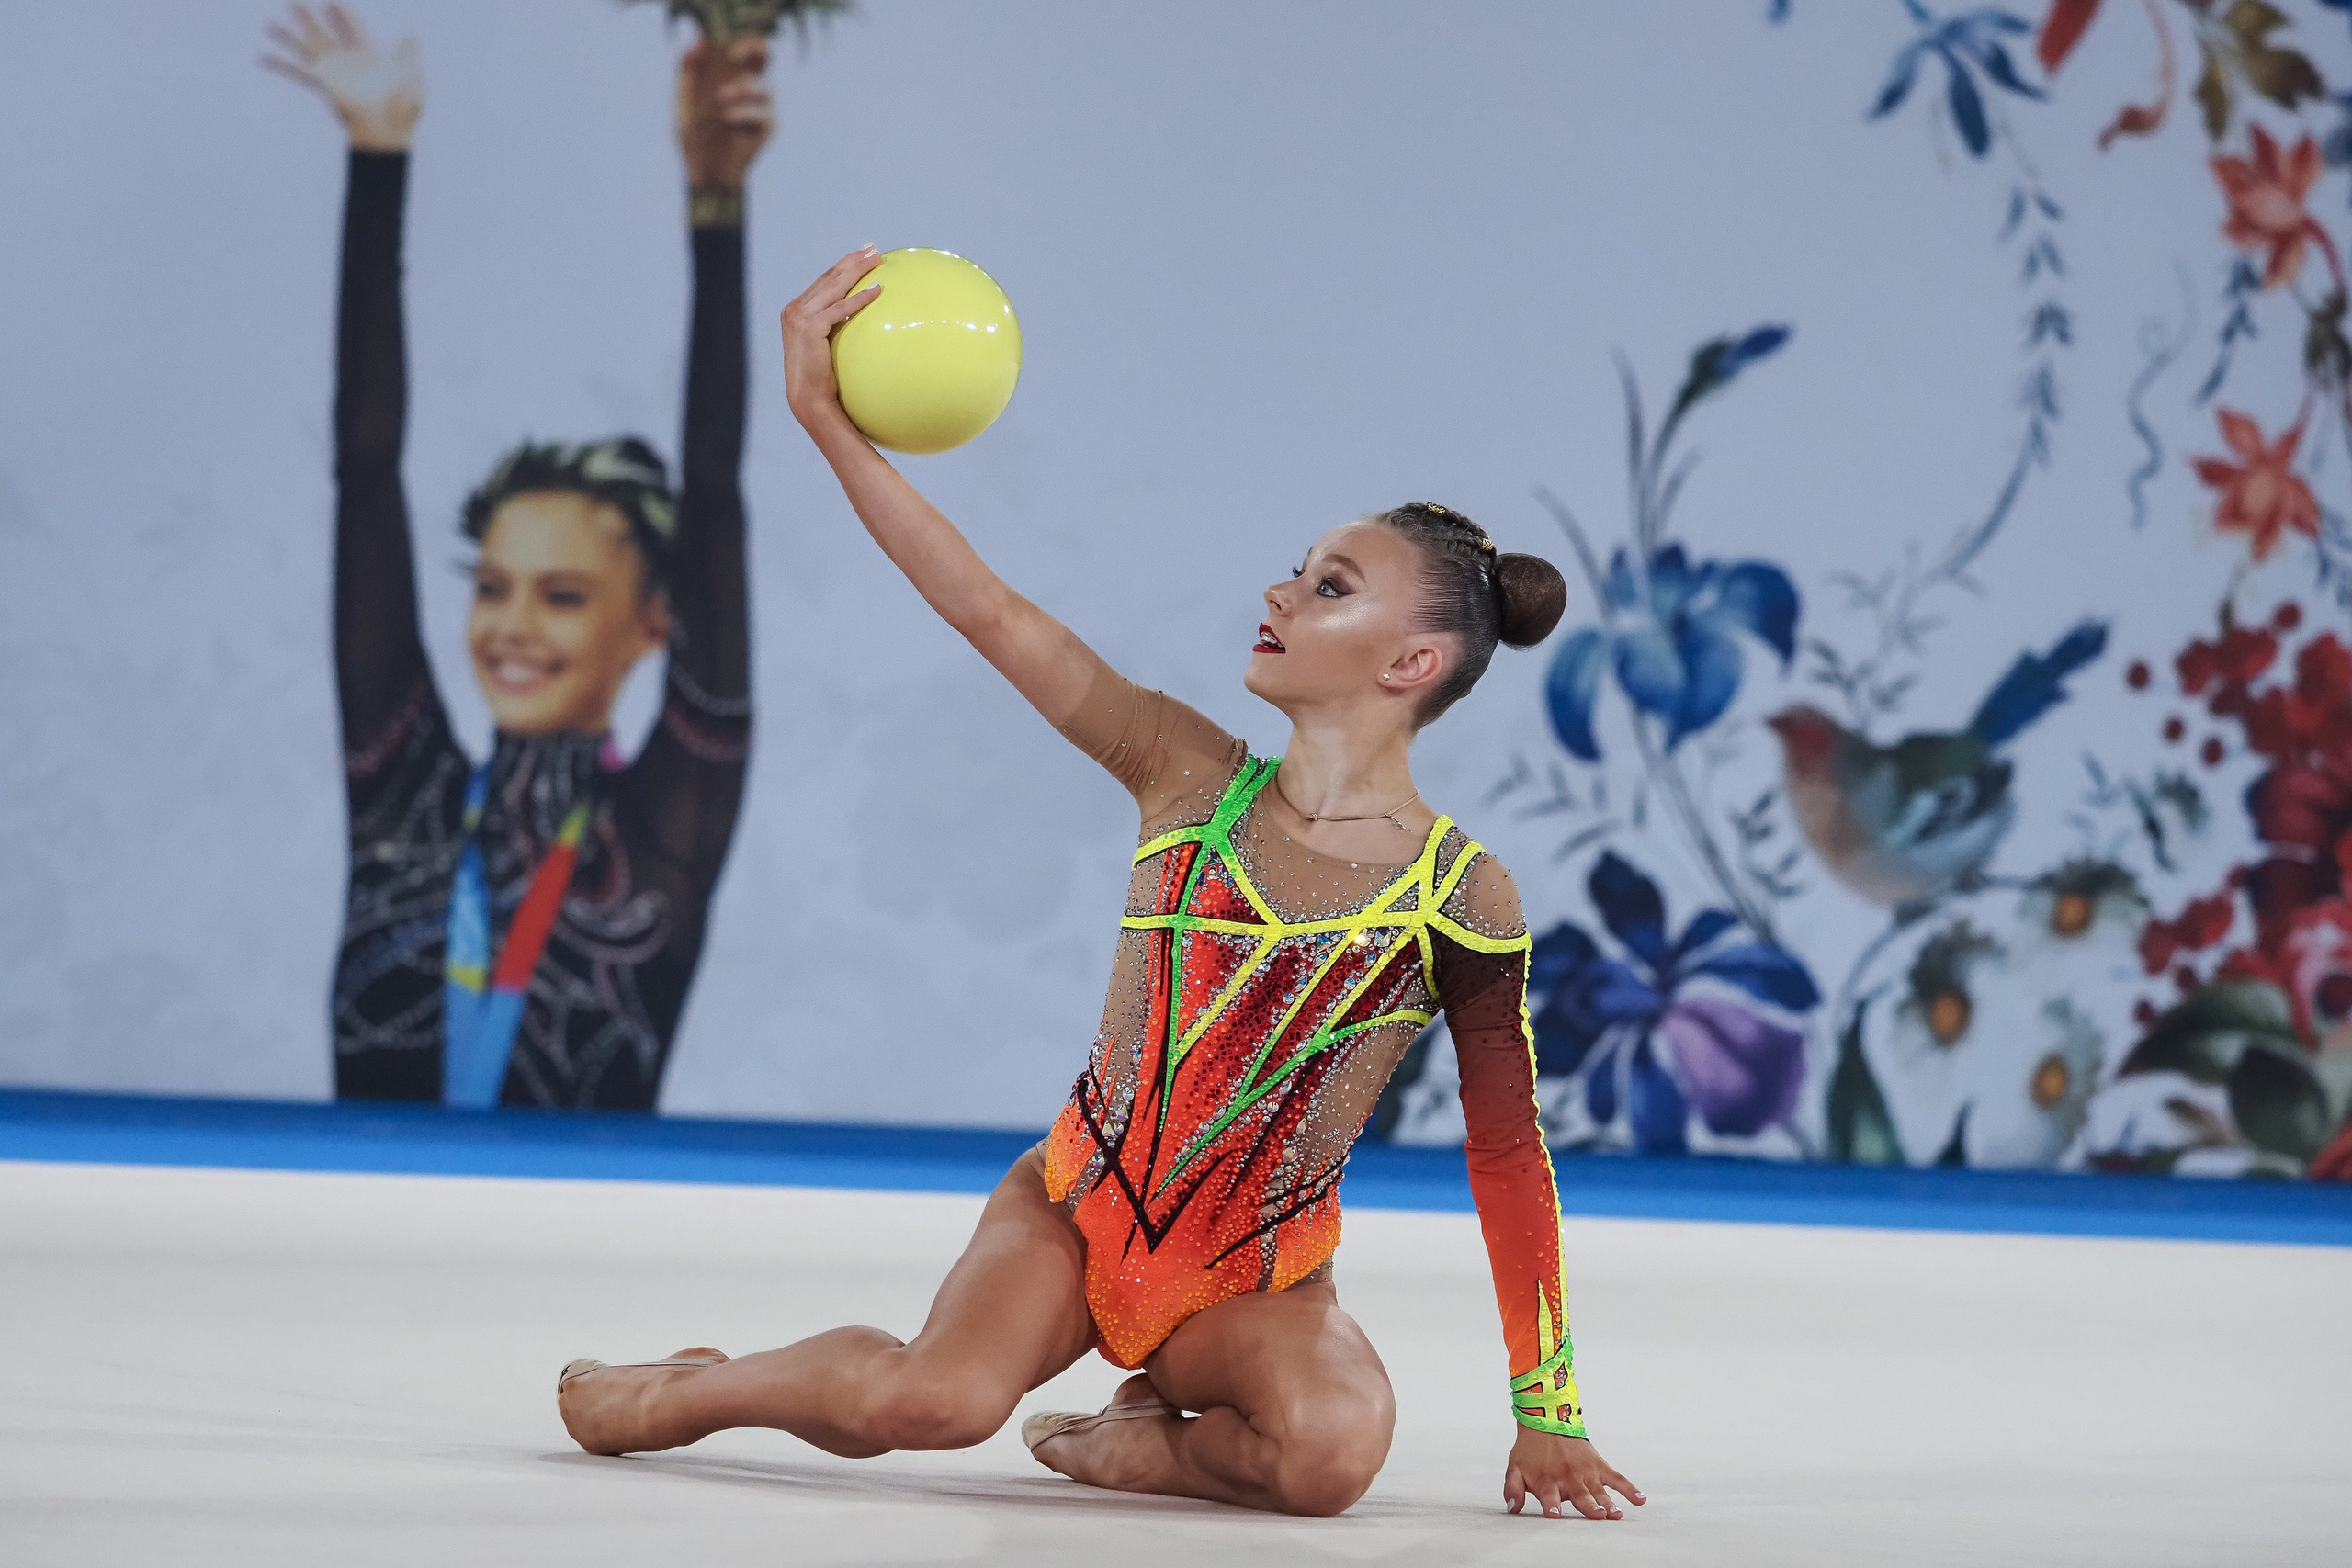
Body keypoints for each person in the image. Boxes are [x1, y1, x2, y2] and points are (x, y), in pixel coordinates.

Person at [555, 254, 1649, 1522]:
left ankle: (1152, 1443)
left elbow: (1509, 1151)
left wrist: (1549, 1409)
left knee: (1336, 1450)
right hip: (1078, 1217)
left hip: (1255, 1282)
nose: (1280, 590)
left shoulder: (1463, 893)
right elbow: (992, 612)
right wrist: (824, 423)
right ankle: (693, 1383)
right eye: (1301, 567)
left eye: (1329, 586)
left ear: (1412, 660)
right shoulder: (1186, 771)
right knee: (937, 1402)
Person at [262, 5, 768, 1109]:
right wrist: (378, 155)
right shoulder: (403, 786)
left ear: (654, 627)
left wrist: (715, 201)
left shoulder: (667, 827)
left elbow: (716, 491)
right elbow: (365, 468)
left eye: (564, 594)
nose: (510, 626)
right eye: (491, 588)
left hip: (581, 1269)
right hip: (358, 1256)